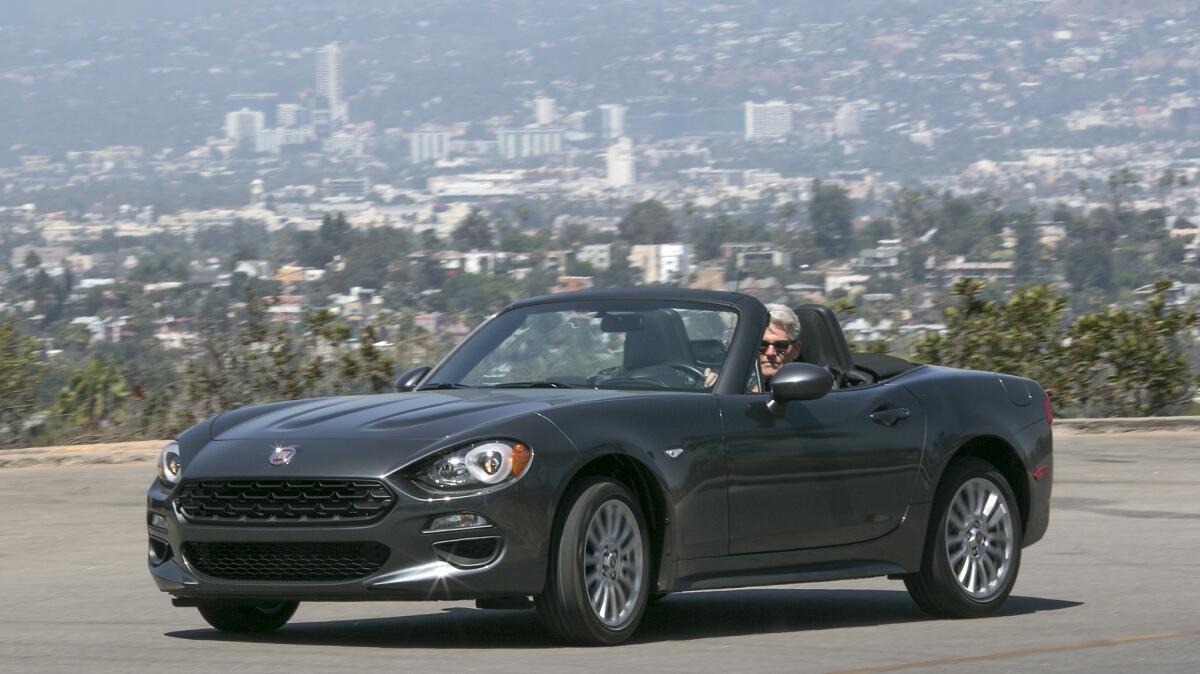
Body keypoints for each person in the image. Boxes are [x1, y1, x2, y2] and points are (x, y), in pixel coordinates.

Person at [758, 303, 801, 390]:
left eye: (780, 345)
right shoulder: (728, 383)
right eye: (762, 344)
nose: (770, 353)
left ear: (796, 349)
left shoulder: (806, 392)